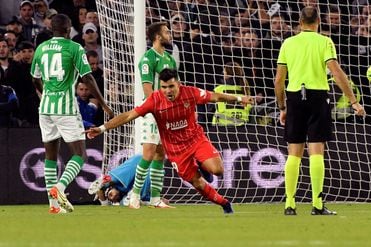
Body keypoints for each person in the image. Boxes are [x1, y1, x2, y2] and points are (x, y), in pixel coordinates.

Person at [86, 68, 254, 214]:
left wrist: (239, 99)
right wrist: (101, 128)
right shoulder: (154, 100)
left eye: (171, 86)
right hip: (176, 151)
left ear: (178, 84)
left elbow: (215, 97)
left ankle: (202, 166)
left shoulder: (190, 92)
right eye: (164, 87)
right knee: (198, 183)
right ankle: (225, 204)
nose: (168, 91)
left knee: (217, 170)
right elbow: (129, 115)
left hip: (195, 139)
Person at [274, 6, 365, 216]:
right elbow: (336, 71)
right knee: (316, 151)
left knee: (294, 153)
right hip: (318, 97)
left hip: (295, 97)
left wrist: (282, 107)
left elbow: (279, 80)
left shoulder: (288, 43)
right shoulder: (324, 41)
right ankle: (317, 204)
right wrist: (353, 101)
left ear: (299, 22)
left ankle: (289, 204)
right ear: (318, 22)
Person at [30, 14, 113, 214]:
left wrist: (46, 95)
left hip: (46, 108)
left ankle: (53, 205)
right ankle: (59, 188)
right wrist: (103, 104)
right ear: (68, 29)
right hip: (66, 107)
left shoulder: (41, 48)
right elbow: (88, 78)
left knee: (50, 154)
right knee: (80, 155)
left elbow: (34, 79)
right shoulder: (75, 48)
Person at [130, 21, 177, 209]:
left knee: (160, 154)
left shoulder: (170, 59)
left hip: (167, 113)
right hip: (152, 112)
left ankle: (155, 199)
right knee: (148, 153)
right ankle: (134, 196)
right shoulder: (147, 59)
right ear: (157, 36)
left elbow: (175, 88)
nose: (169, 34)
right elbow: (148, 91)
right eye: (166, 31)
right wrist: (159, 110)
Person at [88, 154, 154, 206]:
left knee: (117, 176)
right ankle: (136, 198)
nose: (113, 197)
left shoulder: (116, 184)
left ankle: (105, 181)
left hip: (137, 161)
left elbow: (100, 190)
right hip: (149, 166)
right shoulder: (123, 199)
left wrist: (104, 202)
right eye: (112, 200)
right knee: (141, 194)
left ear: (109, 189)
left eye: (110, 194)